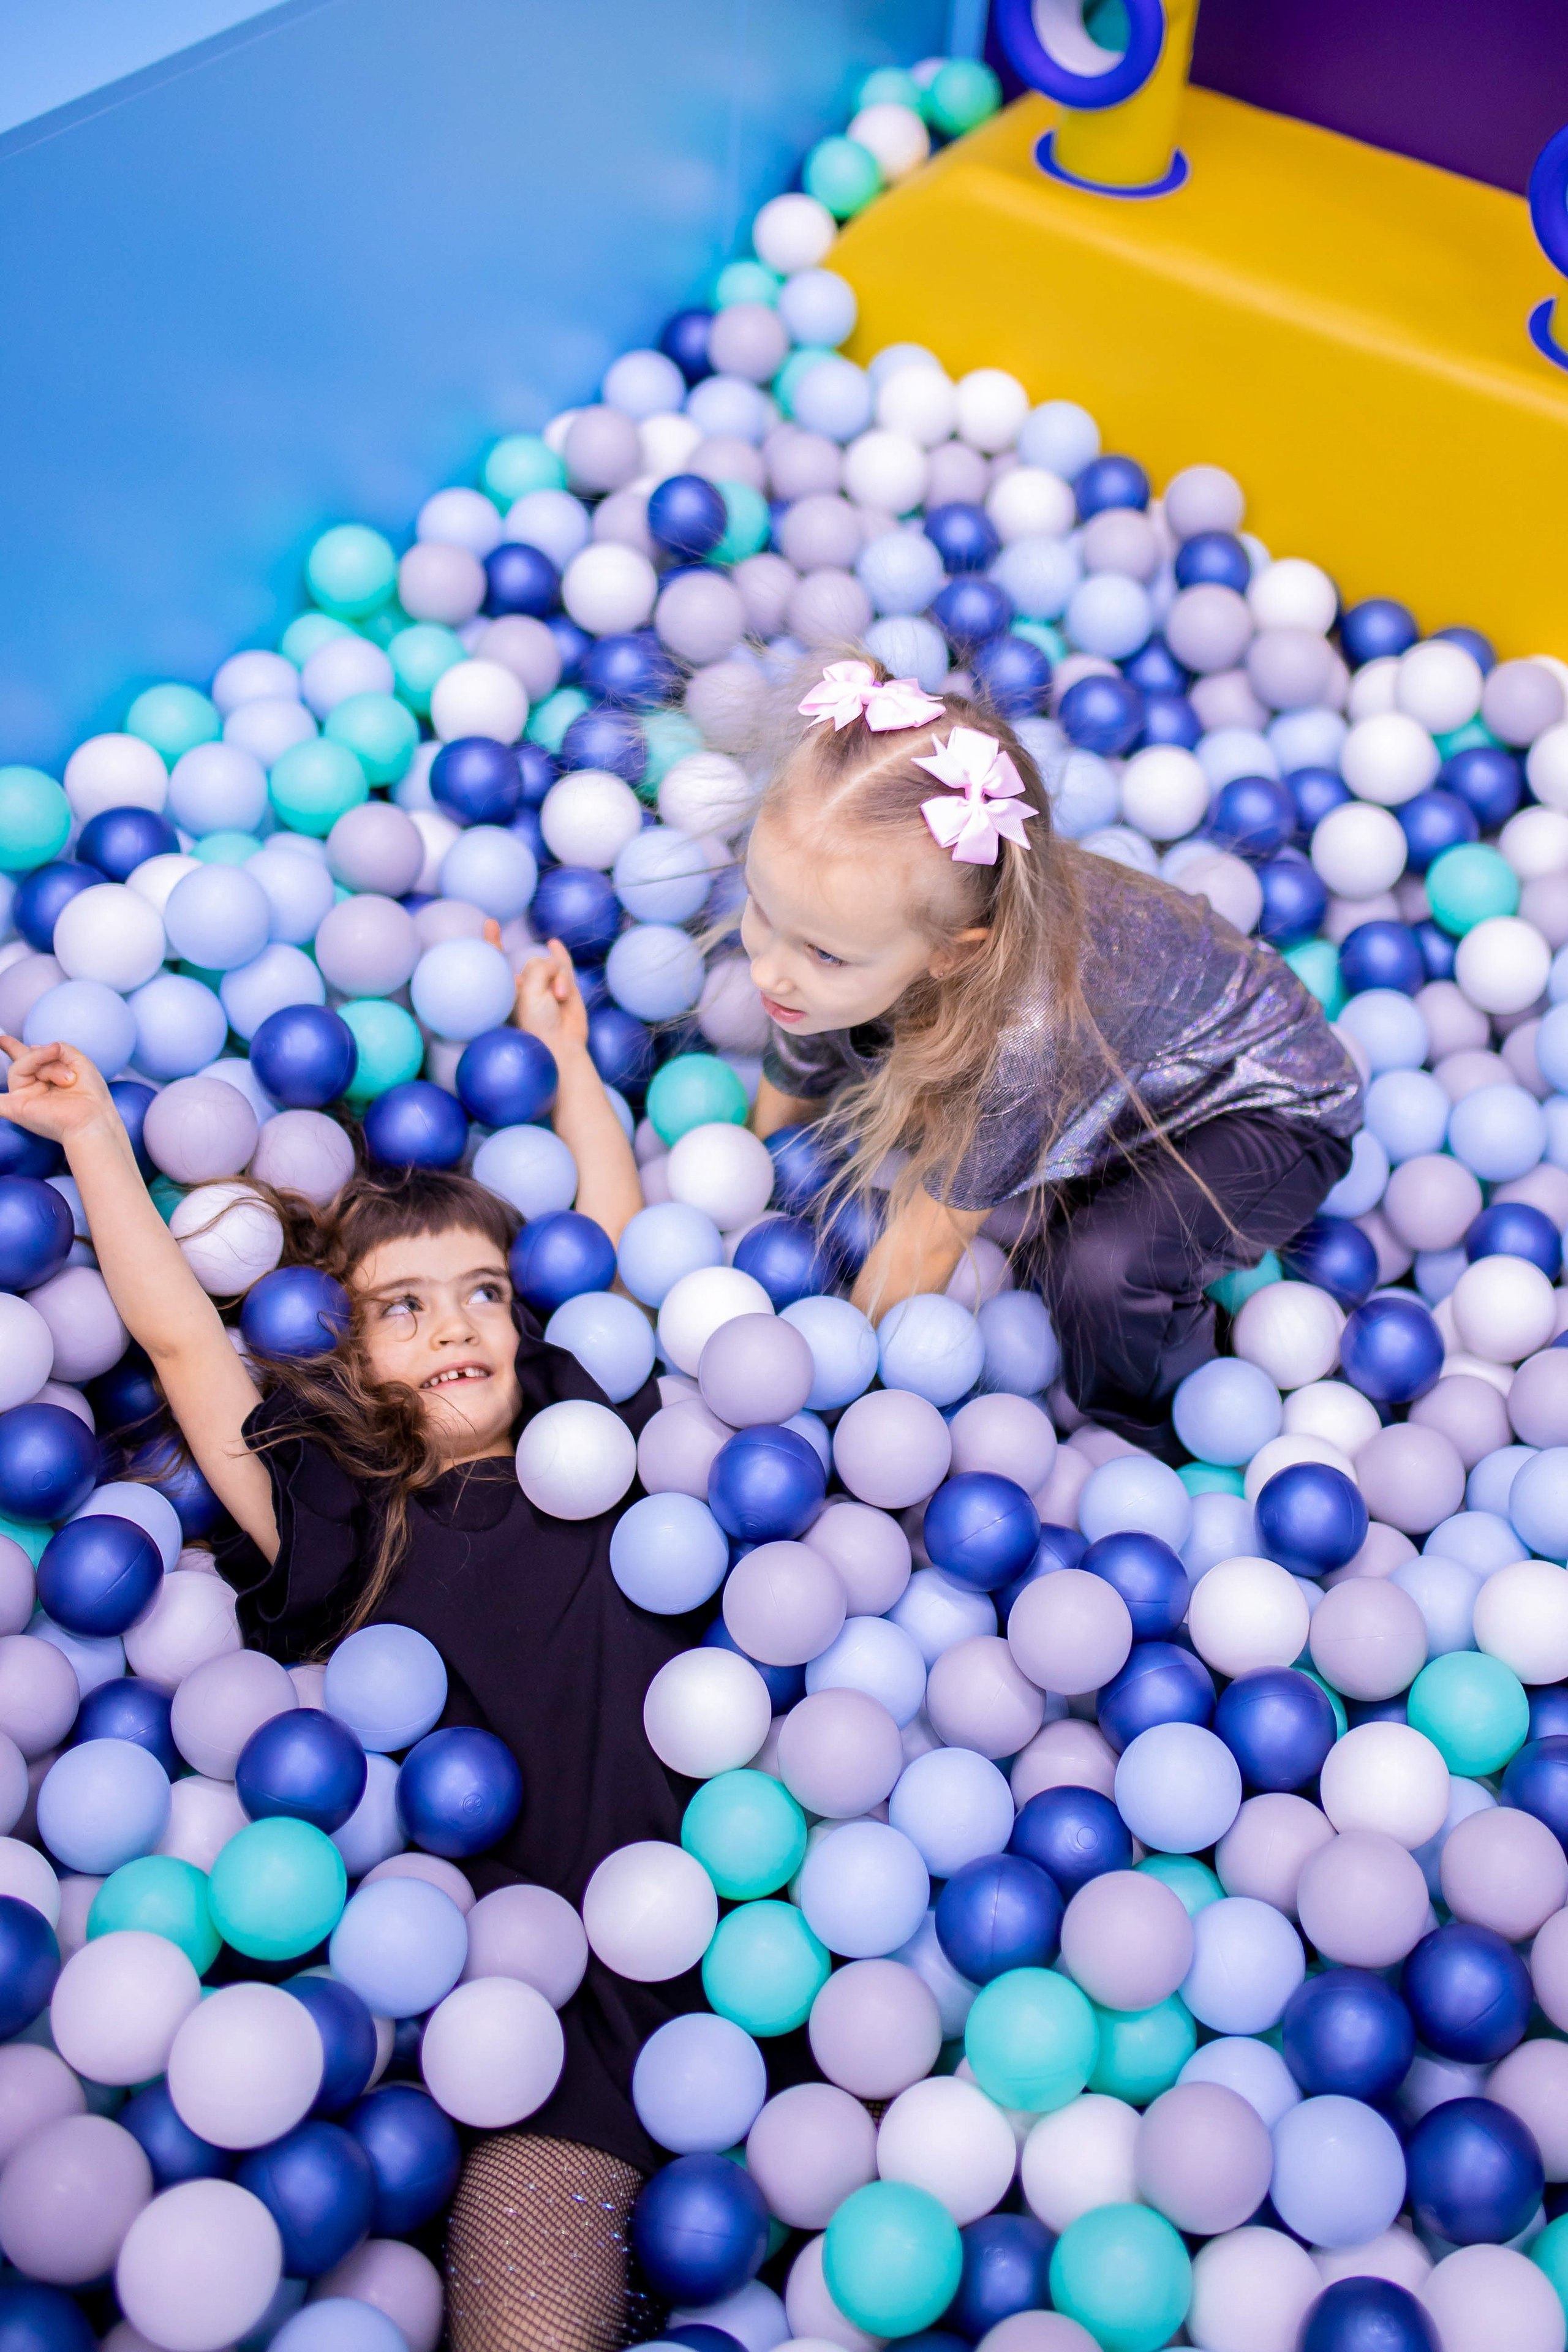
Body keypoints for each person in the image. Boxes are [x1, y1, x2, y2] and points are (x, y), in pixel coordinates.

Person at [0, 941, 684, 2352]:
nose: (455, 1325)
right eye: (404, 1306)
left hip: (745, 1946)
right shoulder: (343, 1507)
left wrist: (561, 1052)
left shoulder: (595, 1416)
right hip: (533, 2030)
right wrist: (91, 1144)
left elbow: (612, 1234)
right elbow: (189, 1349)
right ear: (351, 1353)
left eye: (484, 1291)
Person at [742, 656, 1363, 1455]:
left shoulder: (1022, 1038)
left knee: (1095, 1271)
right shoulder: (841, 935)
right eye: (762, 909)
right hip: (1119, 1076)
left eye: (823, 953)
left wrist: (840, 1426)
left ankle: (1164, 1425)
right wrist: (759, 1163)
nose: (768, 968)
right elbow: (799, 1020)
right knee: (838, 1010)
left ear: (952, 955)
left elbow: (927, 1242)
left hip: (1266, 1106)